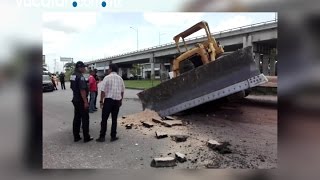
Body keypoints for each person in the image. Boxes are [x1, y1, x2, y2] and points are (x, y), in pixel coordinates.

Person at [96, 63, 125, 142]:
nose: (108, 70)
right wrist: (121, 100)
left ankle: (102, 136)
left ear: (111, 69)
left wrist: (101, 101)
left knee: (104, 119)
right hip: (117, 101)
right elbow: (122, 91)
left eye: (109, 69)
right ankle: (113, 136)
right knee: (114, 119)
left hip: (108, 101)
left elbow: (102, 91)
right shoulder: (120, 78)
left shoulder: (107, 78)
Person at [70, 61, 93, 143]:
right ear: (80, 68)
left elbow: (72, 87)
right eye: (84, 67)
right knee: (85, 118)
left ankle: (76, 136)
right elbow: (82, 90)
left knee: (77, 118)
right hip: (81, 100)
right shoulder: (81, 77)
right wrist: (85, 102)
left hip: (75, 99)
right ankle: (86, 137)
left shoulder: (73, 75)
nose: (85, 69)